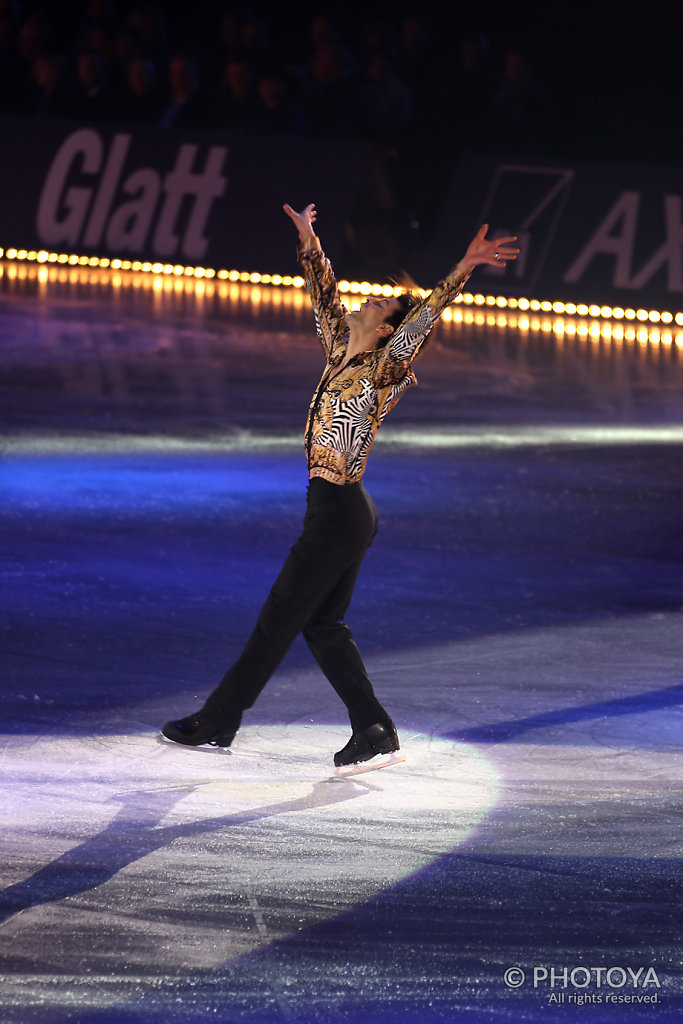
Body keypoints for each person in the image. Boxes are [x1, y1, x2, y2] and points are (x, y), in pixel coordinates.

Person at [161, 203, 518, 768]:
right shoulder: (338, 350)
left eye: (379, 304)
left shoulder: (384, 367)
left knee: (280, 617)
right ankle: (373, 726)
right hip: (335, 510)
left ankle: (219, 717)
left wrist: (464, 269)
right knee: (321, 623)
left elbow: (423, 321)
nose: (366, 300)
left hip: (340, 514)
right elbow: (322, 292)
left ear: (386, 331)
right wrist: (310, 240)